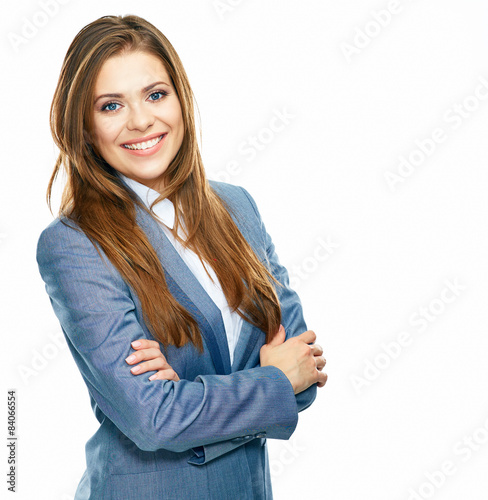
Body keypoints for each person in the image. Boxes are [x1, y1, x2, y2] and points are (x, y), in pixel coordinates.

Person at [36, 14, 327, 500]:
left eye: (155, 95)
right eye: (111, 106)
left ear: (181, 100)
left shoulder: (236, 206)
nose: (141, 120)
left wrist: (189, 395)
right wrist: (270, 380)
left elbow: (306, 372)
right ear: (84, 128)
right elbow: (154, 421)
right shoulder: (75, 243)